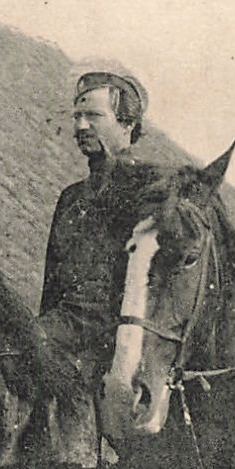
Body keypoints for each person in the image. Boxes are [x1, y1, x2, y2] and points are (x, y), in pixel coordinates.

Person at [38, 67, 149, 376]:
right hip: (60, 345)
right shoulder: (71, 198)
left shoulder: (145, 193)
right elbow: (52, 289)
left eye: (93, 116)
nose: (81, 126)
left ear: (127, 124)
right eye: (77, 116)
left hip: (113, 358)